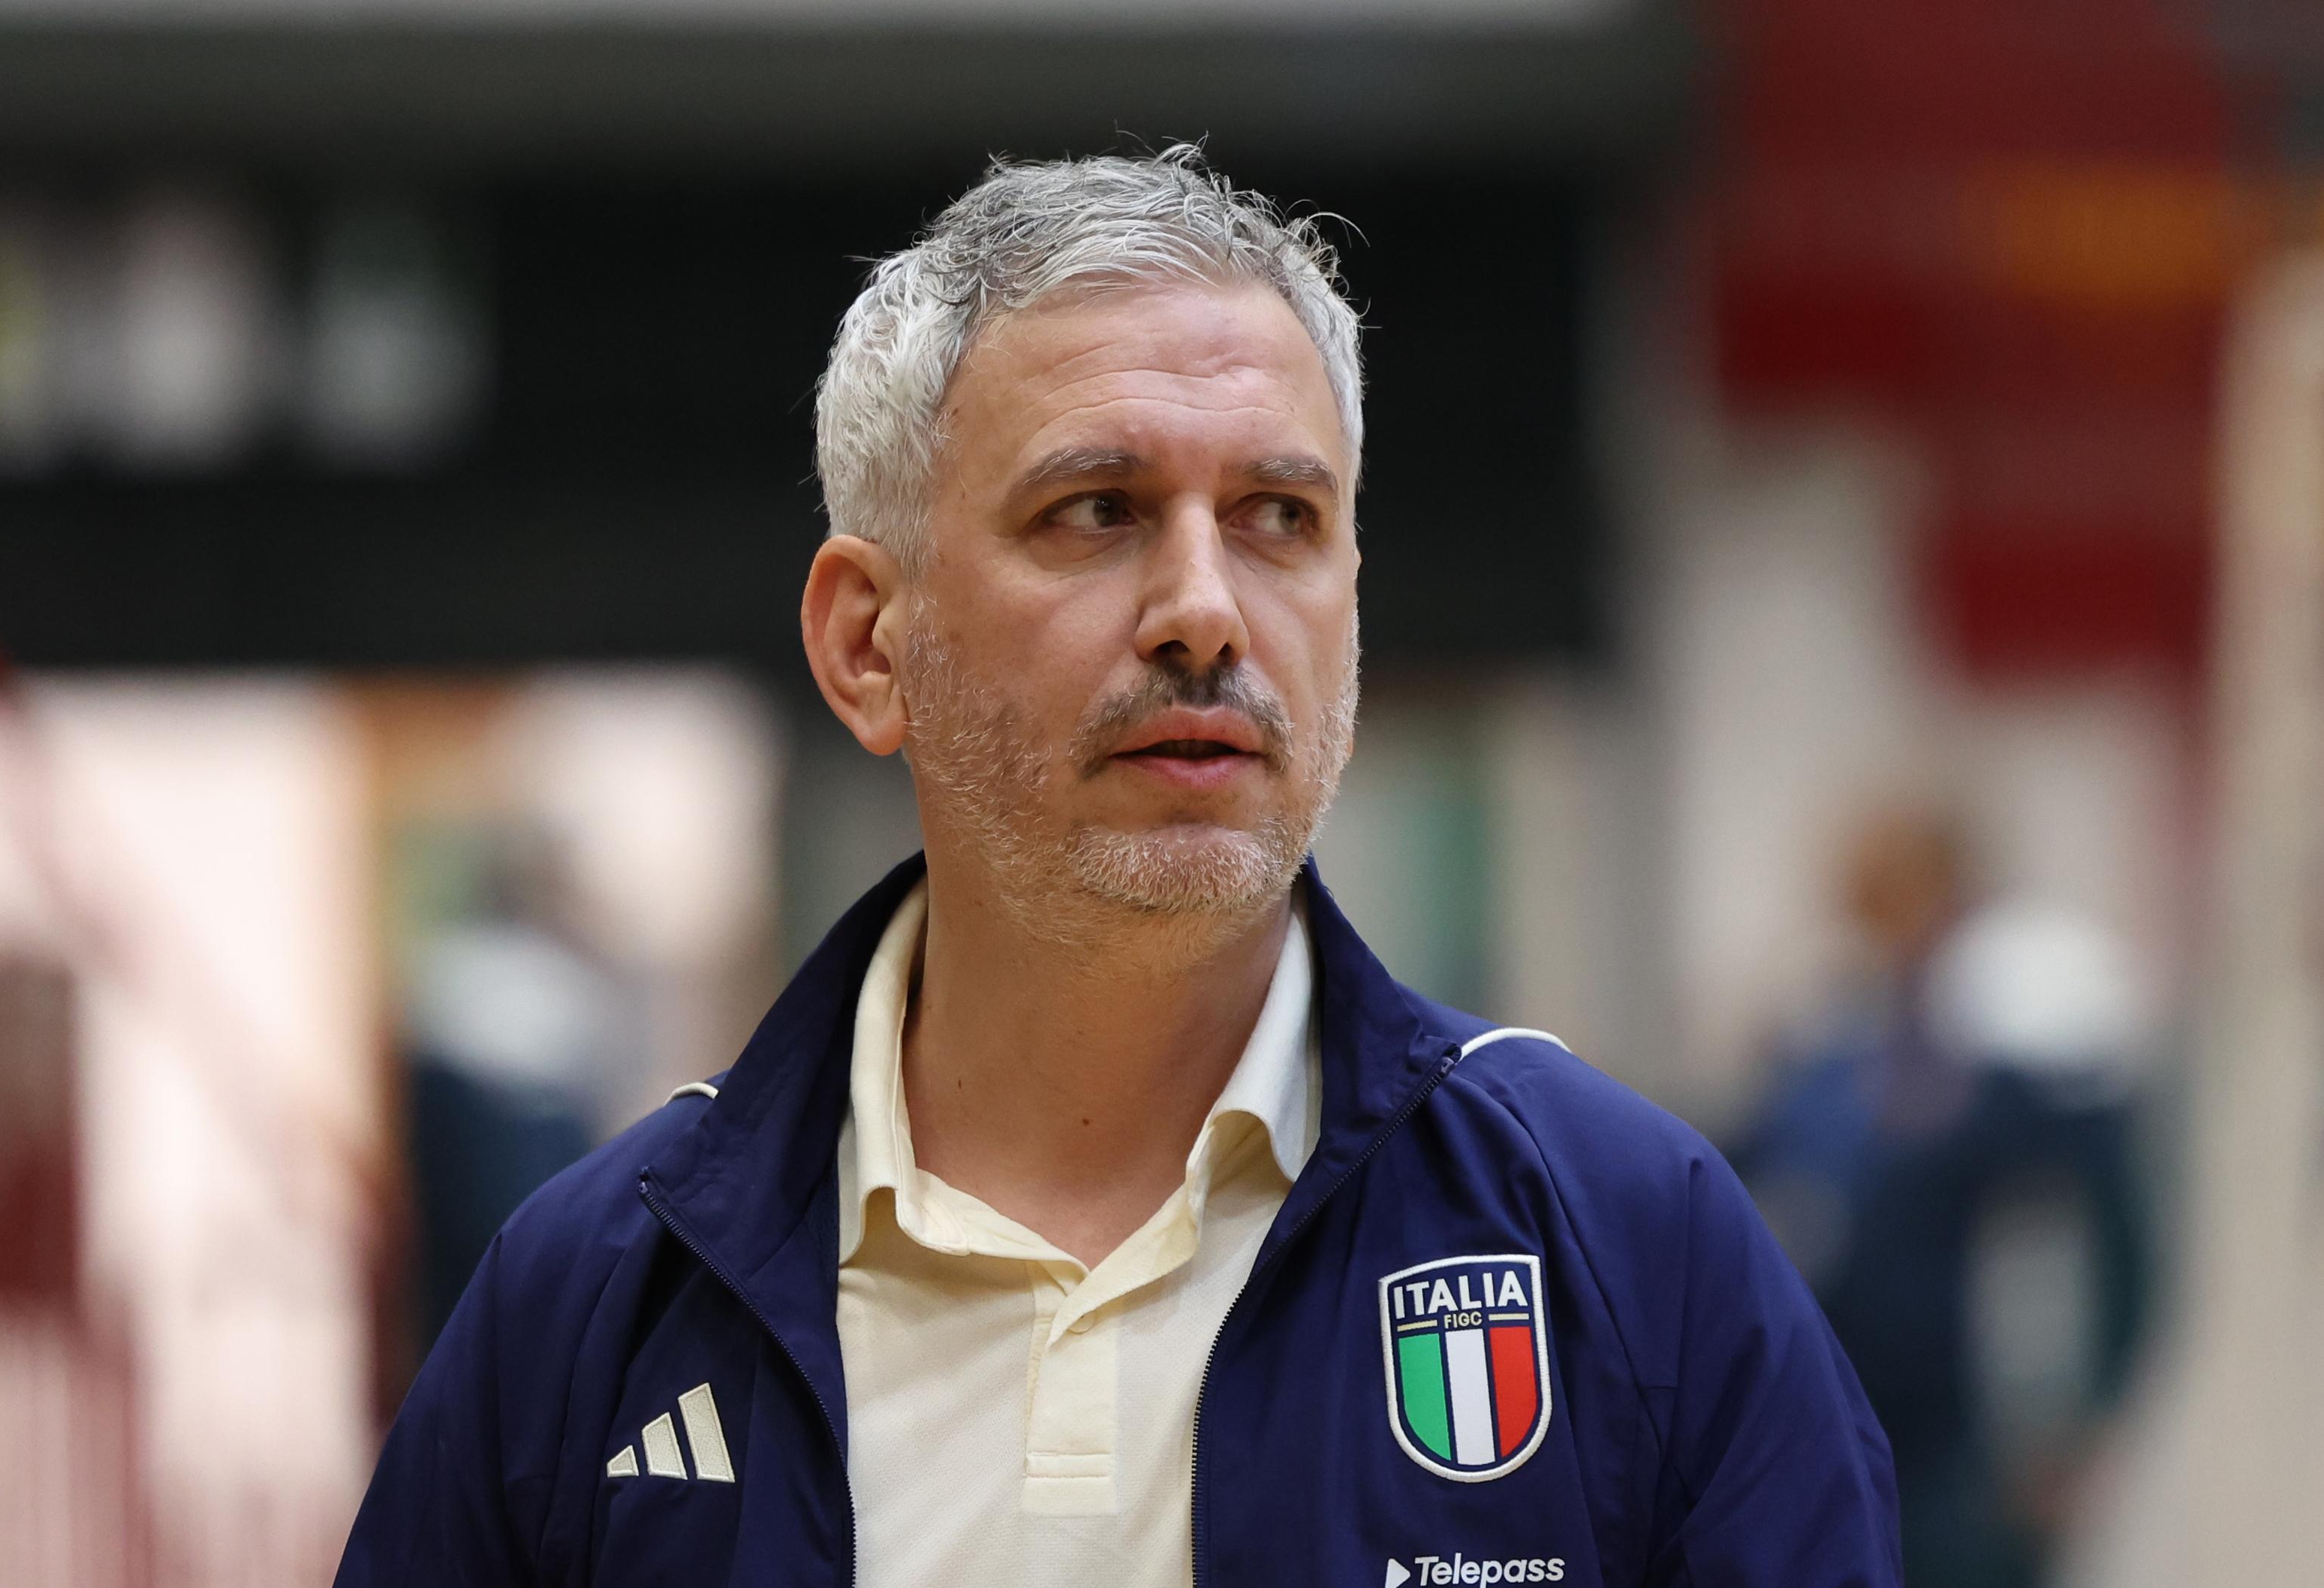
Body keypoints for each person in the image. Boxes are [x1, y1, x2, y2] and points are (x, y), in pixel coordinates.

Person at [336, 147, 1898, 1588]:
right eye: (1097, 511)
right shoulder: (585, 1316)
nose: (1203, 610)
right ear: (869, 644)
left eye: (1279, 516)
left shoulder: (1631, 1250)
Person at [1731, 808, 2151, 1588]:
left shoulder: (2023, 1042)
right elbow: (1745, 1166)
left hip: (1977, 1451)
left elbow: (2110, 1239)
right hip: (1843, 1423)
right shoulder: (1834, 1047)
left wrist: (2077, 1422)